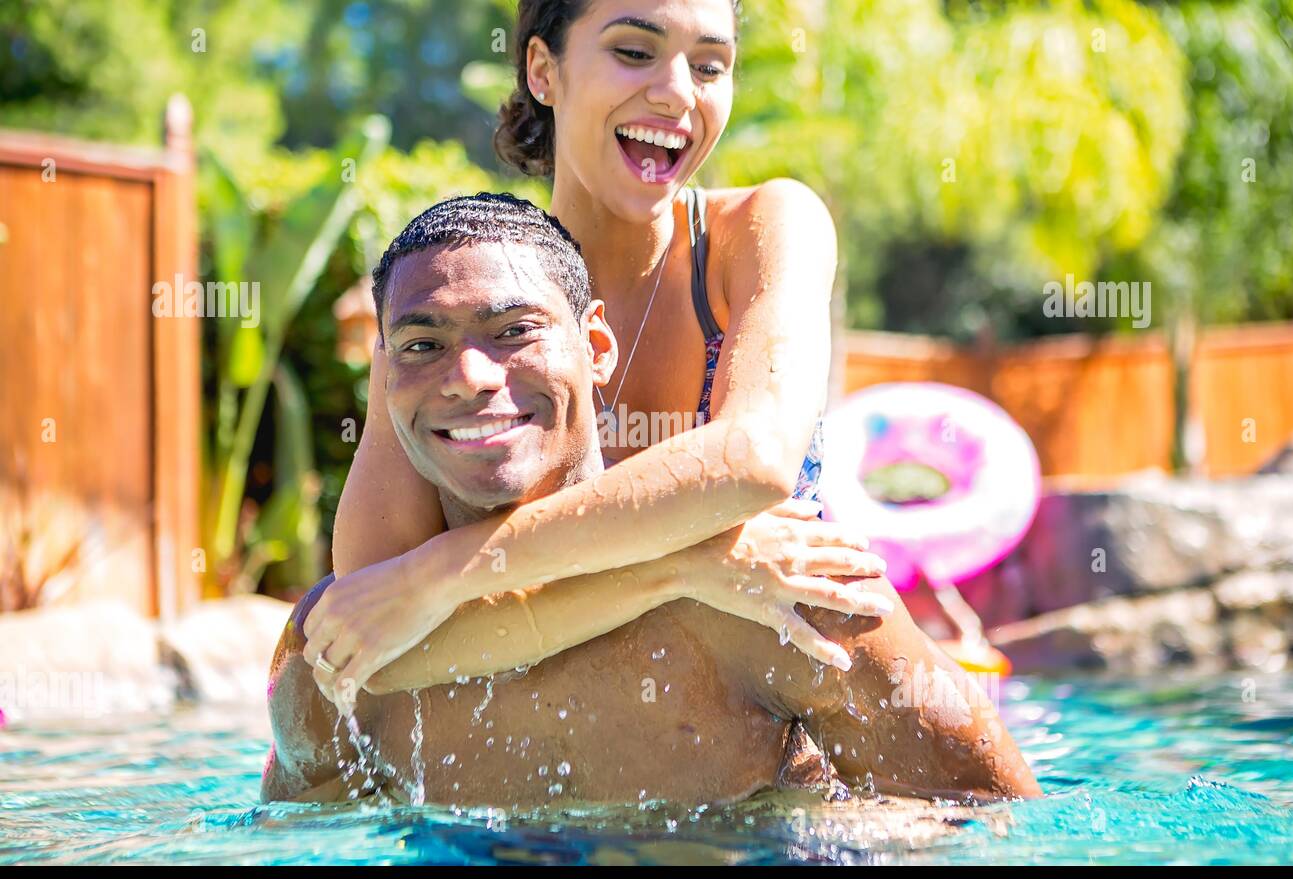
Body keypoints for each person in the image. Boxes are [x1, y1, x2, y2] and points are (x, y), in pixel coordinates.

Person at [260, 195, 1041, 806]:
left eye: (513, 330)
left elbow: (1001, 828)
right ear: (384, 378)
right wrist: (677, 566)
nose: (467, 374)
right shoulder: (340, 656)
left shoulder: (783, 595)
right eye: (421, 344)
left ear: (598, 349)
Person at [309, 0, 863, 681]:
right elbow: (370, 635)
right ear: (543, 70)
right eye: (634, 52)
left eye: (710, 65)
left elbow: (755, 458)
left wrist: (440, 575)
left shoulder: (763, 230)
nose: (678, 93)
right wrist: (686, 564)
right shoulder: (455, 292)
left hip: (789, 730)